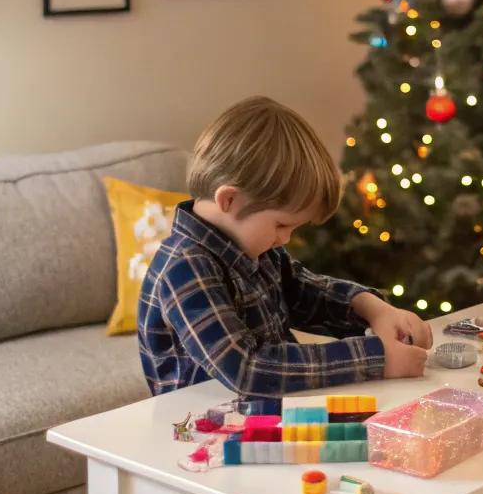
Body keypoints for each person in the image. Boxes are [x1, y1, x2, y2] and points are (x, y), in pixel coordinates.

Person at [139, 96, 431, 397]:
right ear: (229, 200)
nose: (286, 239)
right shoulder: (185, 266)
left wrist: (375, 309)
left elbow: (308, 292)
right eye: (281, 225)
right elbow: (248, 369)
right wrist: (377, 358)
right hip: (200, 430)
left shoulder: (257, 249)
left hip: (266, 412)